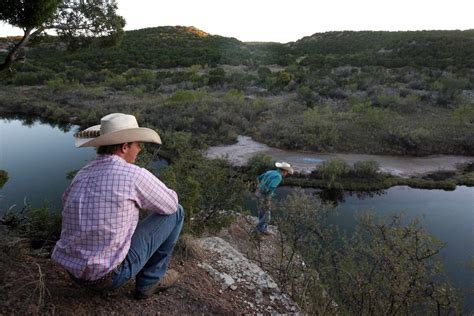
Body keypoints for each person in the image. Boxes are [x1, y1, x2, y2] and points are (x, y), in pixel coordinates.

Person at [52, 113, 184, 299]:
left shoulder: (82, 174)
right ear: (124, 147)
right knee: (177, 212)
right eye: (138, 144)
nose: (139, 149)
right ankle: (150, 282)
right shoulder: (133, 174)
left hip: (73, 272)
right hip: (108, 277)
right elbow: (170, 205)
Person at [254, 162, 294, 235]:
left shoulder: (270, 171)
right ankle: (257, 230)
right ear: (284, 171)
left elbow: (259, 178)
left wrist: (259, 187)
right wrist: (268, 196)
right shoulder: (278, 176)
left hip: (257, 193)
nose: (286, 174)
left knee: (261, 211)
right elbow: (271, 187)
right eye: (287, 172)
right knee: (267, 216)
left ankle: (264, 228)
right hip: (264, 196)